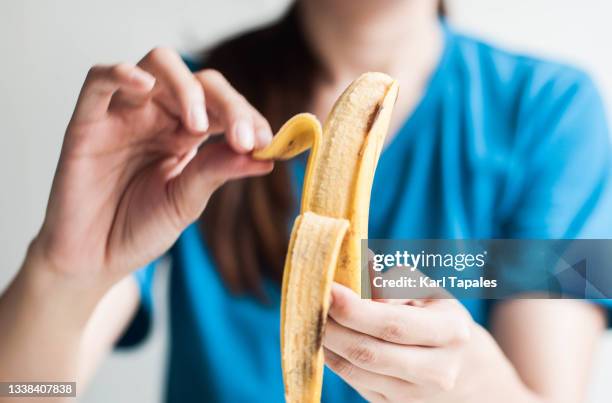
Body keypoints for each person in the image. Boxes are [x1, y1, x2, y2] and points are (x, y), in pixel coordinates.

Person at [1, 0, 611, 402]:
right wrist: (62, 270)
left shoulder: (556, 114)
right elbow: (29, 393)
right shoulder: (179, 120)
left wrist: (478, 388)